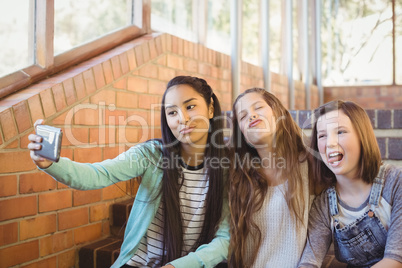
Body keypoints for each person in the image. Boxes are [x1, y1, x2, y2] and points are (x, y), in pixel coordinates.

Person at [28, 76, 230, 268]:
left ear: (211, 109)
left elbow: (225, 239)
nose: (182, 118)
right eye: (172, 112)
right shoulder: (152, 154)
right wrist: (51, 163)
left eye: (190, 106)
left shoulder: (228, 169)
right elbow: (97, 174)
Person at [298, 100, 402, 268]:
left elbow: (395, 261)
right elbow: (309, 262)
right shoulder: (323, 205)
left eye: (340, 132)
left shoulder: (395, 182)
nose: (330, 143)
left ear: (362, 137)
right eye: (322, 135)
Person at [228, 88, 313, 268]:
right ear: (241, 133)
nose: (251, 116)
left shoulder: (310, 165)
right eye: (243, 117)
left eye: (258, 107)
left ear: (276, 111)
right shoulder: (237, 178)